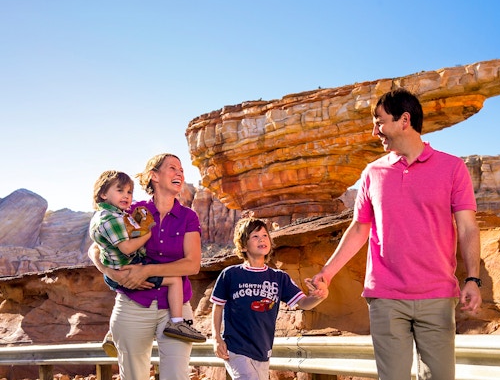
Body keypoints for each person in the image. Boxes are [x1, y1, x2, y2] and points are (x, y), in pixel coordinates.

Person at [312, 88, 482, 380]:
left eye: (379, 121)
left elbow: (468, 227)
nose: (375, 130)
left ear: (404, 120)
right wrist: (327, 272)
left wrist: (473, 279)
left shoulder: (453, 168)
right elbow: (359, 228)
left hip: (437, 296)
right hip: (385, 297)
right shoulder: (372, 173)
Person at [88, 154, 205, 380]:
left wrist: (148, 270)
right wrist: (112, 274)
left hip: (176, 309)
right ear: (154, 176)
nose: (180, 173)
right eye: (172, 168)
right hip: (132, 304)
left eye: (181, 170)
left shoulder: (188, 217)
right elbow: (95, 249)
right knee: (133, 375)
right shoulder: (132, 211)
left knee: (177, 376)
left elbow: (192, 265)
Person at [211, 213, 329, 380]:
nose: (262, 239)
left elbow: (303, 303)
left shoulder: (279, 277)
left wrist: (318, 296)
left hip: (263, 349)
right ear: (243, 246)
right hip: (235, 347)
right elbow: (218, 306)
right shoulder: (231, 274)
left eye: (265, 235)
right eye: (255, 236)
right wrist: (216, 338)